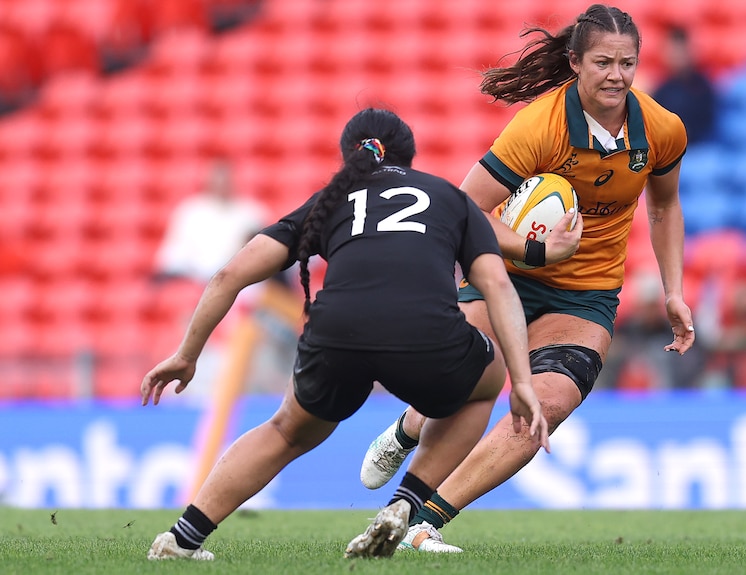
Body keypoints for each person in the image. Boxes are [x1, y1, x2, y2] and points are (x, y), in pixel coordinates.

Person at [141, 108, 549, 561]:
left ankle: (182, 538)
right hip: (426, 334)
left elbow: (228, 277)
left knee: (285, 432)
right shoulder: (448, 197)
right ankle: (404, 506)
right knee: (483, 384)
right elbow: (496, 286)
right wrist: (523, 382)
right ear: (409, 158)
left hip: (337, 333)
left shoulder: (332, 198)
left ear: (348, 157)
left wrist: (187, 355)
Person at [359, 4, 695, 553]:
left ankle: (423, 523)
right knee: (469, 383)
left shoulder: (661, 129)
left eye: (627, 63)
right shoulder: (539, 126)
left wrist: (674, 290)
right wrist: (538, 248)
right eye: (603, 62)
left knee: (549, 402)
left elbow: (664, 208)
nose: (617, 75)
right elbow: (465, 210)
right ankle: (408, 427)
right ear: (575, 63)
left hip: (586, 294)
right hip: (507, 275)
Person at [153, 158, 269, 285]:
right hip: (195, 280)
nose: (221, 184)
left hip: (242, 281)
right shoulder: (190, 212)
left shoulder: (251, 213)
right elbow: (174, 255)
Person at [650, 26, 717, 145]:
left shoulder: (704, 88)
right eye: (673, 51)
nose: (677, 56)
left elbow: (710, 123)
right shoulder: (661, 91)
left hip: (699, 148)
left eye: (680, 50)